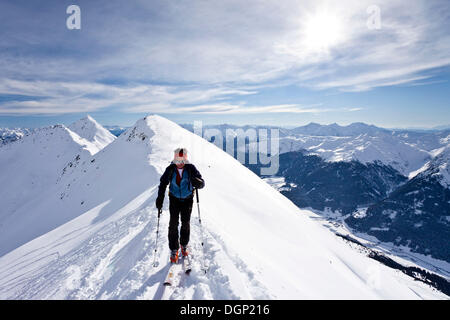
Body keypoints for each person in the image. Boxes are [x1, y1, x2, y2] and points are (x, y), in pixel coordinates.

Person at [156, 147, 205, 263]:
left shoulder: (191, 168)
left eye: (182, 160)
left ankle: (184, 244)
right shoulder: (170, 169)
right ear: (174, 159)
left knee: (185, 222)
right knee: (173, 224)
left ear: (186, 159)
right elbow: (163, 183)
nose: (180, 163)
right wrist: (160, 198)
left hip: (187, 199)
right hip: (174, 199)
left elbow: (202, 183)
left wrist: (199, 183)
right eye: (178, 160)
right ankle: (174, 248)